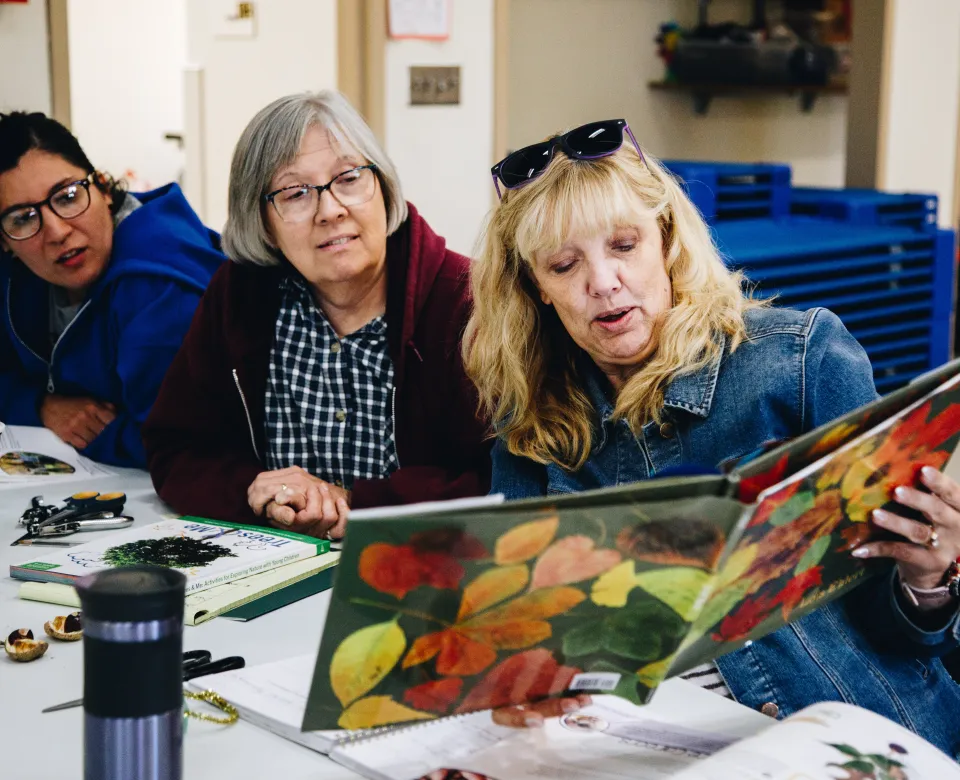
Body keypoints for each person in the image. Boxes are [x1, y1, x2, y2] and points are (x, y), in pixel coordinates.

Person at [463, 119, 960, 751]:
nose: (603, 282)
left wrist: (929, 580)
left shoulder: (799, 361)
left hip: (842, 733)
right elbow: (528, 644)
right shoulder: (532, 433)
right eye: (565, 264)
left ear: (666, 239)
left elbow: (901, 632)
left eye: (624, 245)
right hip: (645, 746)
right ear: (537, 286)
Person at [143, 91, 491, 540]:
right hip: (271, 561)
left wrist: (357, 505)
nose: (330, 210)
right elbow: (176, 447)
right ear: (263, 222)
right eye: (295, 193)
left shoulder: (468, 302)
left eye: (349, 178)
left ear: (384, 187)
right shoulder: (239, 295)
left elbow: (505, 478)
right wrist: (256, 491)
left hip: (427, 558)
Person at [0, 112, 225, 467]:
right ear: (4, 242)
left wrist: (86, 432)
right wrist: (41, 406)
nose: (57, 231)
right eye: (23, 218)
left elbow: (179, 442)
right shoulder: (16, 272)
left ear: (104, 188)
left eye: (67, 197)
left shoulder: (157, 286)